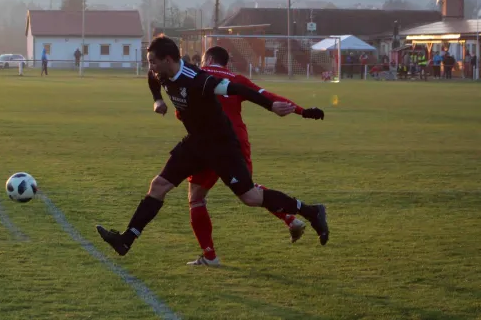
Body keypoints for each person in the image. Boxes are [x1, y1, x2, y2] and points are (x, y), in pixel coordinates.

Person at [96, 36, 330, 259]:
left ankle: (311, 211)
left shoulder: (200, 79)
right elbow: (152, 78)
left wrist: (272, 106)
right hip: (196, 142)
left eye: (153, 61)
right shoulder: (161, 73)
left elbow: (239, 89)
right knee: (158, 185)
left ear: (167, 59)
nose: (150, 66)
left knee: (250, 196)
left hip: (222, 146)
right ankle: (126, 240)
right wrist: (157, 100)